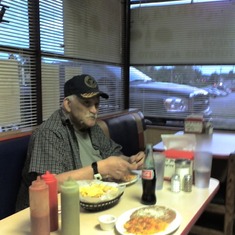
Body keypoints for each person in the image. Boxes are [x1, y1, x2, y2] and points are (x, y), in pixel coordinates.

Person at [16, 74, 145, 211]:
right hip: (49, 214)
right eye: (87, 103)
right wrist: (99, 169)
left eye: (96, 104)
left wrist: (130, 160)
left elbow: (113, 154)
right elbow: (47, 185)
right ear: (68, 104)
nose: (94, 110)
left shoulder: (92, 127)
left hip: (93, 202)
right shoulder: (49, 132)